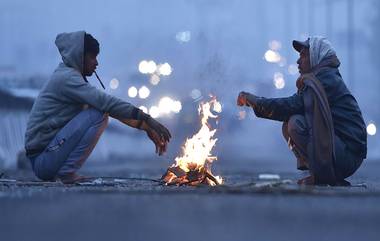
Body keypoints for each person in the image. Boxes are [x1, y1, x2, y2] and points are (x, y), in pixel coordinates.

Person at [25, 31, 171, 184]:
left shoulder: (70, 76)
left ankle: (65, 172)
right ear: (80, 56)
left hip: (46, 158)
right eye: (92, 57)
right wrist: (148, 119)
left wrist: (145, 126)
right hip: (44, 161)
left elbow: (113, 109)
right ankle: (66, 173)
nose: (96, 63)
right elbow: (107, 104)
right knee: (98, 114)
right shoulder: (67, 79)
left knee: (101, 111)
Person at [237, 36, 367, 185]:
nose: (299, 61)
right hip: (342, 150)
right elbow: (294, 105)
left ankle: (323, 176)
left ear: (316, 57)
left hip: (348, 154)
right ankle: (321, 174)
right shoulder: (319, 78)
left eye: (304, 56)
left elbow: (291, 105)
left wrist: (255, 101)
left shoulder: (324, 79)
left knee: (295, 123)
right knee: (290, 123)